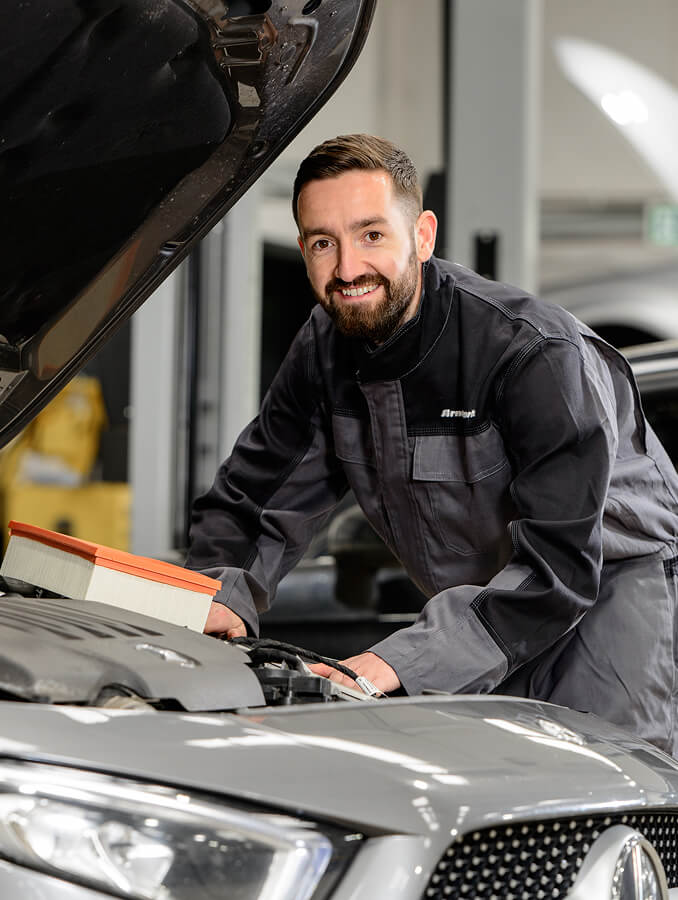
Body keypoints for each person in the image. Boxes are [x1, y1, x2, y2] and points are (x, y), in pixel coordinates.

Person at [186, 133, 678, 753]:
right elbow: (258, 500)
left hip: (608, 604)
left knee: (602, 803)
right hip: (475, 616)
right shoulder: (325, 350)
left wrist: (396, 666)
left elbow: (561, 565)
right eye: (322, 243)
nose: (347, 268)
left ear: (422, 236)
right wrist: (218, 596)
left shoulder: (530, 354)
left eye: (371, 235)